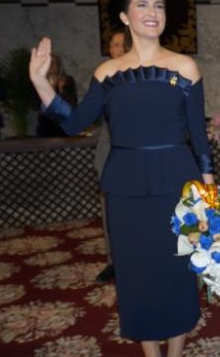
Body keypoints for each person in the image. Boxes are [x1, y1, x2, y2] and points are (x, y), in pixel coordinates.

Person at [29, 0, 214, 357]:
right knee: (136, 273)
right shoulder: (107, 72)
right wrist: (40, 83)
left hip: (177, 184)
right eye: (142, 5)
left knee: (177, 270)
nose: (152, 12)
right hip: (126, 188)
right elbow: (74, 123)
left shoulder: (185, 67)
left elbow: (199, 137)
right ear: (125, 17)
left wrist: (210, 200)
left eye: (158, 5)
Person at [94, 30, 127, 283]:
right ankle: (114, 262)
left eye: (125, 44)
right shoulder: (103, 77)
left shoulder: (147, 73)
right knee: (110, 212)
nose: (121, 49)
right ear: (110, 50)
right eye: (116, 45)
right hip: (109, 152)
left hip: (141, 154)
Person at [35, 54, 78, 137]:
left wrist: (61, 91)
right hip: (46, 125)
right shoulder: (40, 82)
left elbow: (72, 101)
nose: (50, 65)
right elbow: (38, 103)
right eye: (48, 63)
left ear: (58, 65)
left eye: (53, 63)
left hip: (63, 126)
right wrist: (49, 87)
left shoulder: (66, 80)